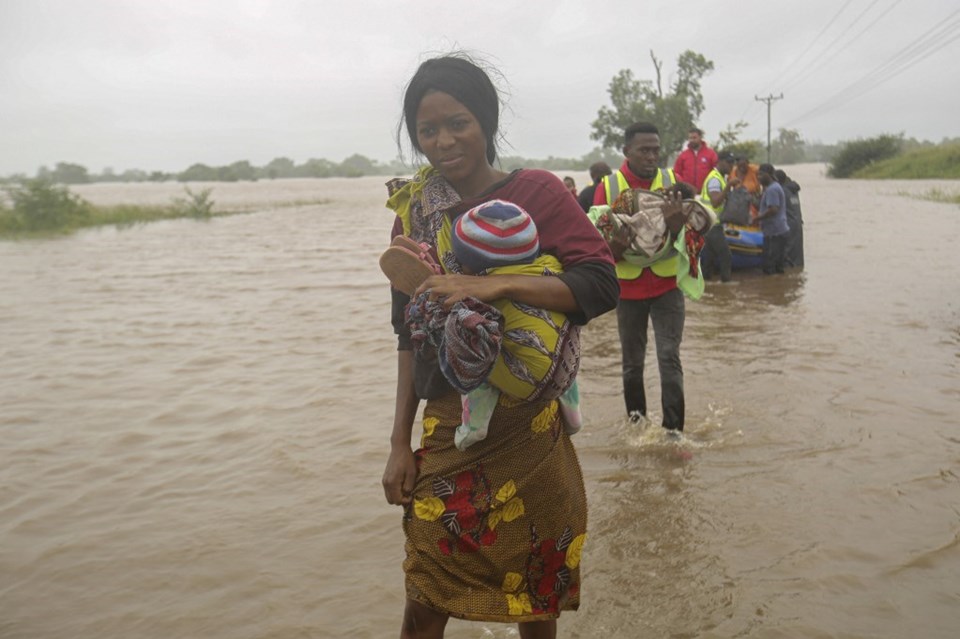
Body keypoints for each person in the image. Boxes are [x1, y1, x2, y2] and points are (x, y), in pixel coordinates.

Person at [382, 53, 619, 638]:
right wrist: (396, 443)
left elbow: (600, 281)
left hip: (531, 426)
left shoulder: (536, 192)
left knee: (535, 602)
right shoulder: (413, 216)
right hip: (449, 430)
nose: (443, 140)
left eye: (457, 122)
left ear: (484, 121)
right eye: (428, 129)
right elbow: (407, 335)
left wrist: (496, 283)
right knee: (423, 598)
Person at [387, 199, 583, 451]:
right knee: (554, 334)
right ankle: (573, 415)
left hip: (525, 383)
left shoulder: (477, 292)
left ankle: (474, 427)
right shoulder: (550, 270)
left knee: (474, 348)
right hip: (564, 368)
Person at [591, 121, 704, 434]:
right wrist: (615, 246)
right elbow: (596, 246)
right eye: (644, 150)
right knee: (632, 364)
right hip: (627, 290)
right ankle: (638, 429)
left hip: (668, 286)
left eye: (656, 150)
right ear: (627, 151)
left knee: (670, 359)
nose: (652, 156)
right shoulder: (609, 186)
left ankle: (673, 433)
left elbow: (692, 237)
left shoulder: (672, 182)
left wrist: (678, 225)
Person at [698, 151, 740, 282]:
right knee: (725, 255)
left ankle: (707, 288)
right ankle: (726, 285)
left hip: (709, 223)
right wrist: (728, 187)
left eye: (733, 163)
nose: (731, 166)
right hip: (712, 224)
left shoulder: (720, 178)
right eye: (729, 162)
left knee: (709, 258)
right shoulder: (715, 179)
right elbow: (715, 202)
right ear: (720, 162)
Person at [754, 164, 790, 274]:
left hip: (774, 233)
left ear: (768, 175)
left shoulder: (772, 189)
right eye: (757, 175)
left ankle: (773, 289)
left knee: (769, 267)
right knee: (777, 267)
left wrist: (757, 218)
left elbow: (773, 210)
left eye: (761, 174)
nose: (758, 177)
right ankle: (779, 289)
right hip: (777, 231)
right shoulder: (773, 187)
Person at [774, 168, 804, 267]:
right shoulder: (793, 190)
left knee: (786, 252)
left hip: (788, 224)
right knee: (796, 252)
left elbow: (773, 208)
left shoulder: (781, 191)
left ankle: (788, 275)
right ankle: (796, 273)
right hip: (797, 223)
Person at [672, 127, 718, 192]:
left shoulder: (711, 154)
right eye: (690, 138)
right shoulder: (683, 155)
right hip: (687, 193)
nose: (692, 140)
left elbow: (716, 172)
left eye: (694, 138)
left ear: (700, 137)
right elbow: (676, 174)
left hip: (706, 192)